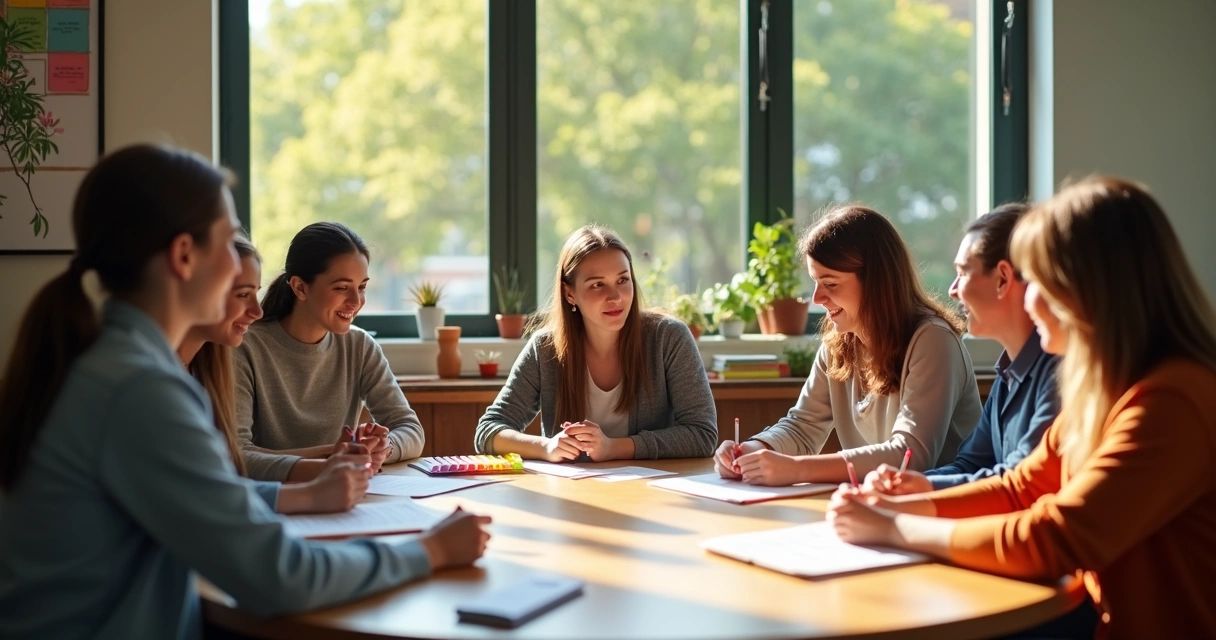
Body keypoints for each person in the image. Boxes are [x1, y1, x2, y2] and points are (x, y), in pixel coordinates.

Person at [0, 144, 490, 640]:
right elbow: (280, 577)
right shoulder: (142, 390)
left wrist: (297, 496)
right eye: (228, 241)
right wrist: (430, 550)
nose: (244, 271)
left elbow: (206, 494)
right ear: (185, 256)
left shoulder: (106, 358)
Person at [828, 177, 1216, 638]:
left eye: (1037, 279)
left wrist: (894, 528)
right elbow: (1021, 487)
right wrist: (911, 504)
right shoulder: (1107, 389)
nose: (1027, 298)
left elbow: (1057, 537)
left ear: (1087, 288)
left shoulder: (1172, 401)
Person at [715, 205, 982, 486]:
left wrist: (797, 469)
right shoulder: (839, 340)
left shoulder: (933, 340)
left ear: (876, 283)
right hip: (881, 504)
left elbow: (910, 456)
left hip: (939, 507)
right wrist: (753, 451)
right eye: (816, 282)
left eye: (830, 284)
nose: (817, 298)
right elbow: (803, 427)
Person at [474, 224, 717, 461]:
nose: (615, 297)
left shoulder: (669, 338)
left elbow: (702, 434)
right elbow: (488, 432)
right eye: (598, 285)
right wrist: (546, 447)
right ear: (570, 293)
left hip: (650, 495)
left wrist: (613, 448)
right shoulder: (545, 348)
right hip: (571, 494)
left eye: (623, 280)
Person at [863, 204, 1060, 494]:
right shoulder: (1009, 374)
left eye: (963, 273)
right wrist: (909, 485)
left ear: (1003, 279)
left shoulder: (1060, 375)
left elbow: (1020, 483)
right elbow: (970, 464)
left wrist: (920, 494)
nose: (952, 289)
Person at [178, 235, 370, 513]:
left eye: (255, 293)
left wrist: (335, 458)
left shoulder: (208, 362)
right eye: (243, 294)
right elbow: (207, 487)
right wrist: (312, 490)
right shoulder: (160, 380)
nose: (257, 311)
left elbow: (217, 475)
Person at [234, 221, 425, 481]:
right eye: (341, 288)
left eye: (362, 287)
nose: (356, 302)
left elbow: (411, 429)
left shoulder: (360, 346)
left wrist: (382, 448)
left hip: (343, 492)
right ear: (300, 287)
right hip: (271, 500)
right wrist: (337, 455)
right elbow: (237, 455)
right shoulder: (244, 347)